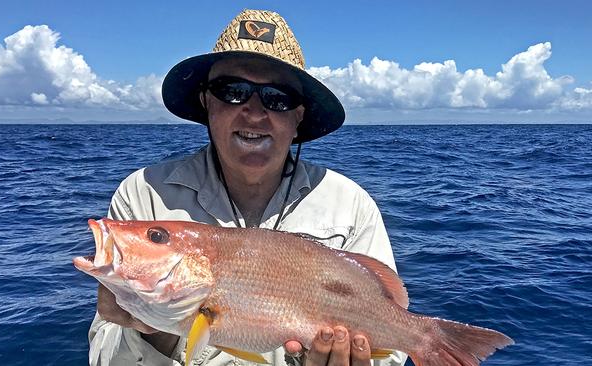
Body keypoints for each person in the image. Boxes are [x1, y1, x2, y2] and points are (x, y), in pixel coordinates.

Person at [87, 9, 407, 366]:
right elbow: (104, 356)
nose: (254, 113)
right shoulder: (143, 194)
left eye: (277, 97)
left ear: (298, 115)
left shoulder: (351, 206)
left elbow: (390, 355)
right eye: (233, 91)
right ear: (207, 102)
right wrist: (155, 326)